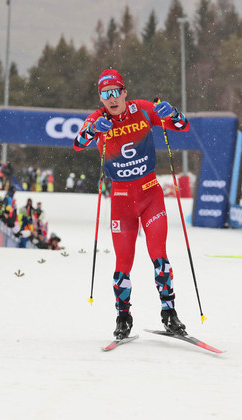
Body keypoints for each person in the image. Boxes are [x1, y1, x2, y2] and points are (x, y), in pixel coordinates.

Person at [74, 68, 190, 339]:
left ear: (125, 92)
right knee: (123, 263)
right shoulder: (98, 118)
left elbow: (183, 126)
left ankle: (169, 314)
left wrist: (171, 113)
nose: (111, 99)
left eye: (115, 92)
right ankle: (123, 317)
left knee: (159, 257)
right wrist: (92, 130)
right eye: (105, 94)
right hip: (122, 201)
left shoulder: (144, 110)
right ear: (100, 97)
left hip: (150, 194)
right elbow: (78, 143)